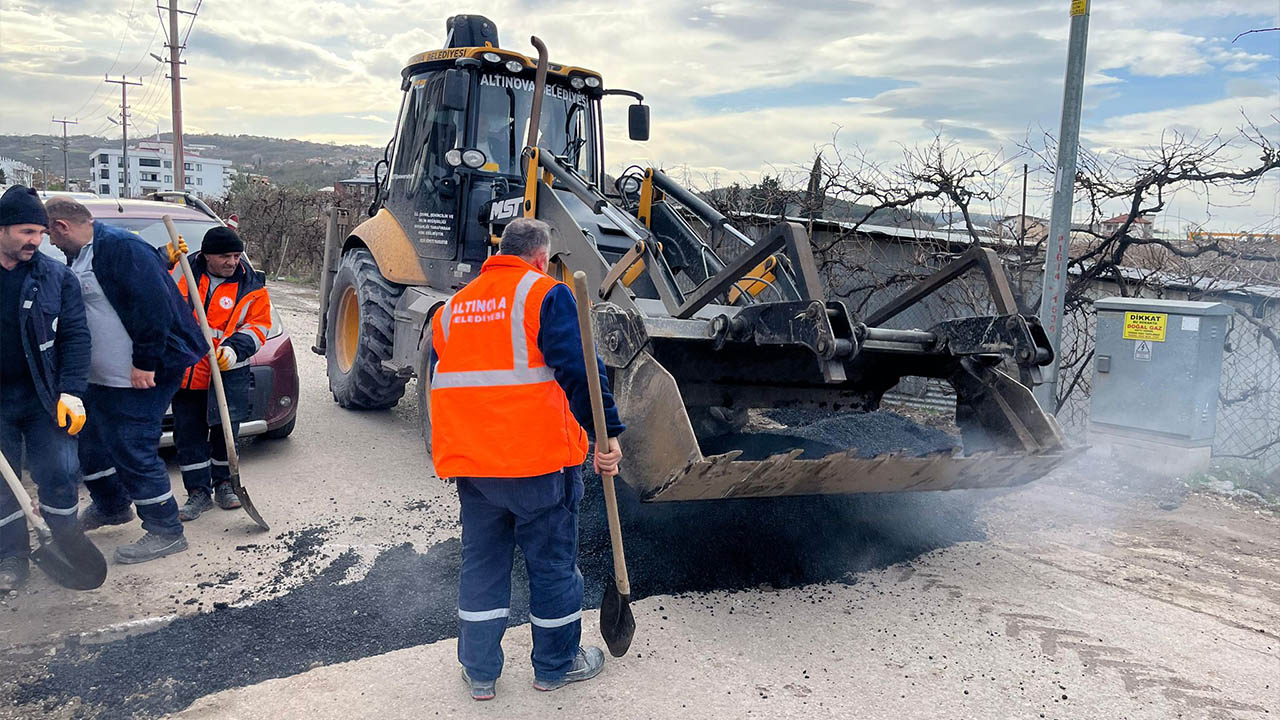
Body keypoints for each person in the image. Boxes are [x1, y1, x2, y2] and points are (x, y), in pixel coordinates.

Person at [429, 217, 625, 700]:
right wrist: (607, 435)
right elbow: (580, 369)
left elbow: (452, 383)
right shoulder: (545, 294)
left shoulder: (451, 309)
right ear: (541, 258)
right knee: (552, 565)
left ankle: (479, 673)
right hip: (538, 465)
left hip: (475, 469)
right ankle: (555, 667)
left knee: (482, 565)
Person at [44, 197, 205, 564]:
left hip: (143, 374)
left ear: (62, 227)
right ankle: (112, 505)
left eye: (50, 234)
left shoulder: (120, 247)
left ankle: (166, 530)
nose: (49, 242)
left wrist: (145, 362)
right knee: (91, 442)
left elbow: (153, 307)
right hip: (101, 378)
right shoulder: (81, 255)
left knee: (132, 446)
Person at [0, 187, 92, 592]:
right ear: (1, 229)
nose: (36, 240)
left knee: (60, 471)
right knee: (2, 484)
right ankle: (12, 555)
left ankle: (64, 540)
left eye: (40, 232)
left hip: (44, 396)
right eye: (26, 231)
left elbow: (76, 336)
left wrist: (71, 390)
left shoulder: (56, 277)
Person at [170, 226, 272, 520]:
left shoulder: (251, 287)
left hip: (228, 372)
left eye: (237, 256)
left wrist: (234, 350)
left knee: (225, 433)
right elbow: (157, 303)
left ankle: (225, 485)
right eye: (225, 256)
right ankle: (198, 492)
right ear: (208, 255)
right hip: (188, 372)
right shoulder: (182, 274)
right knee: (188, 435)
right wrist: (163, 258)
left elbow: (258, 327)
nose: (232, 262)